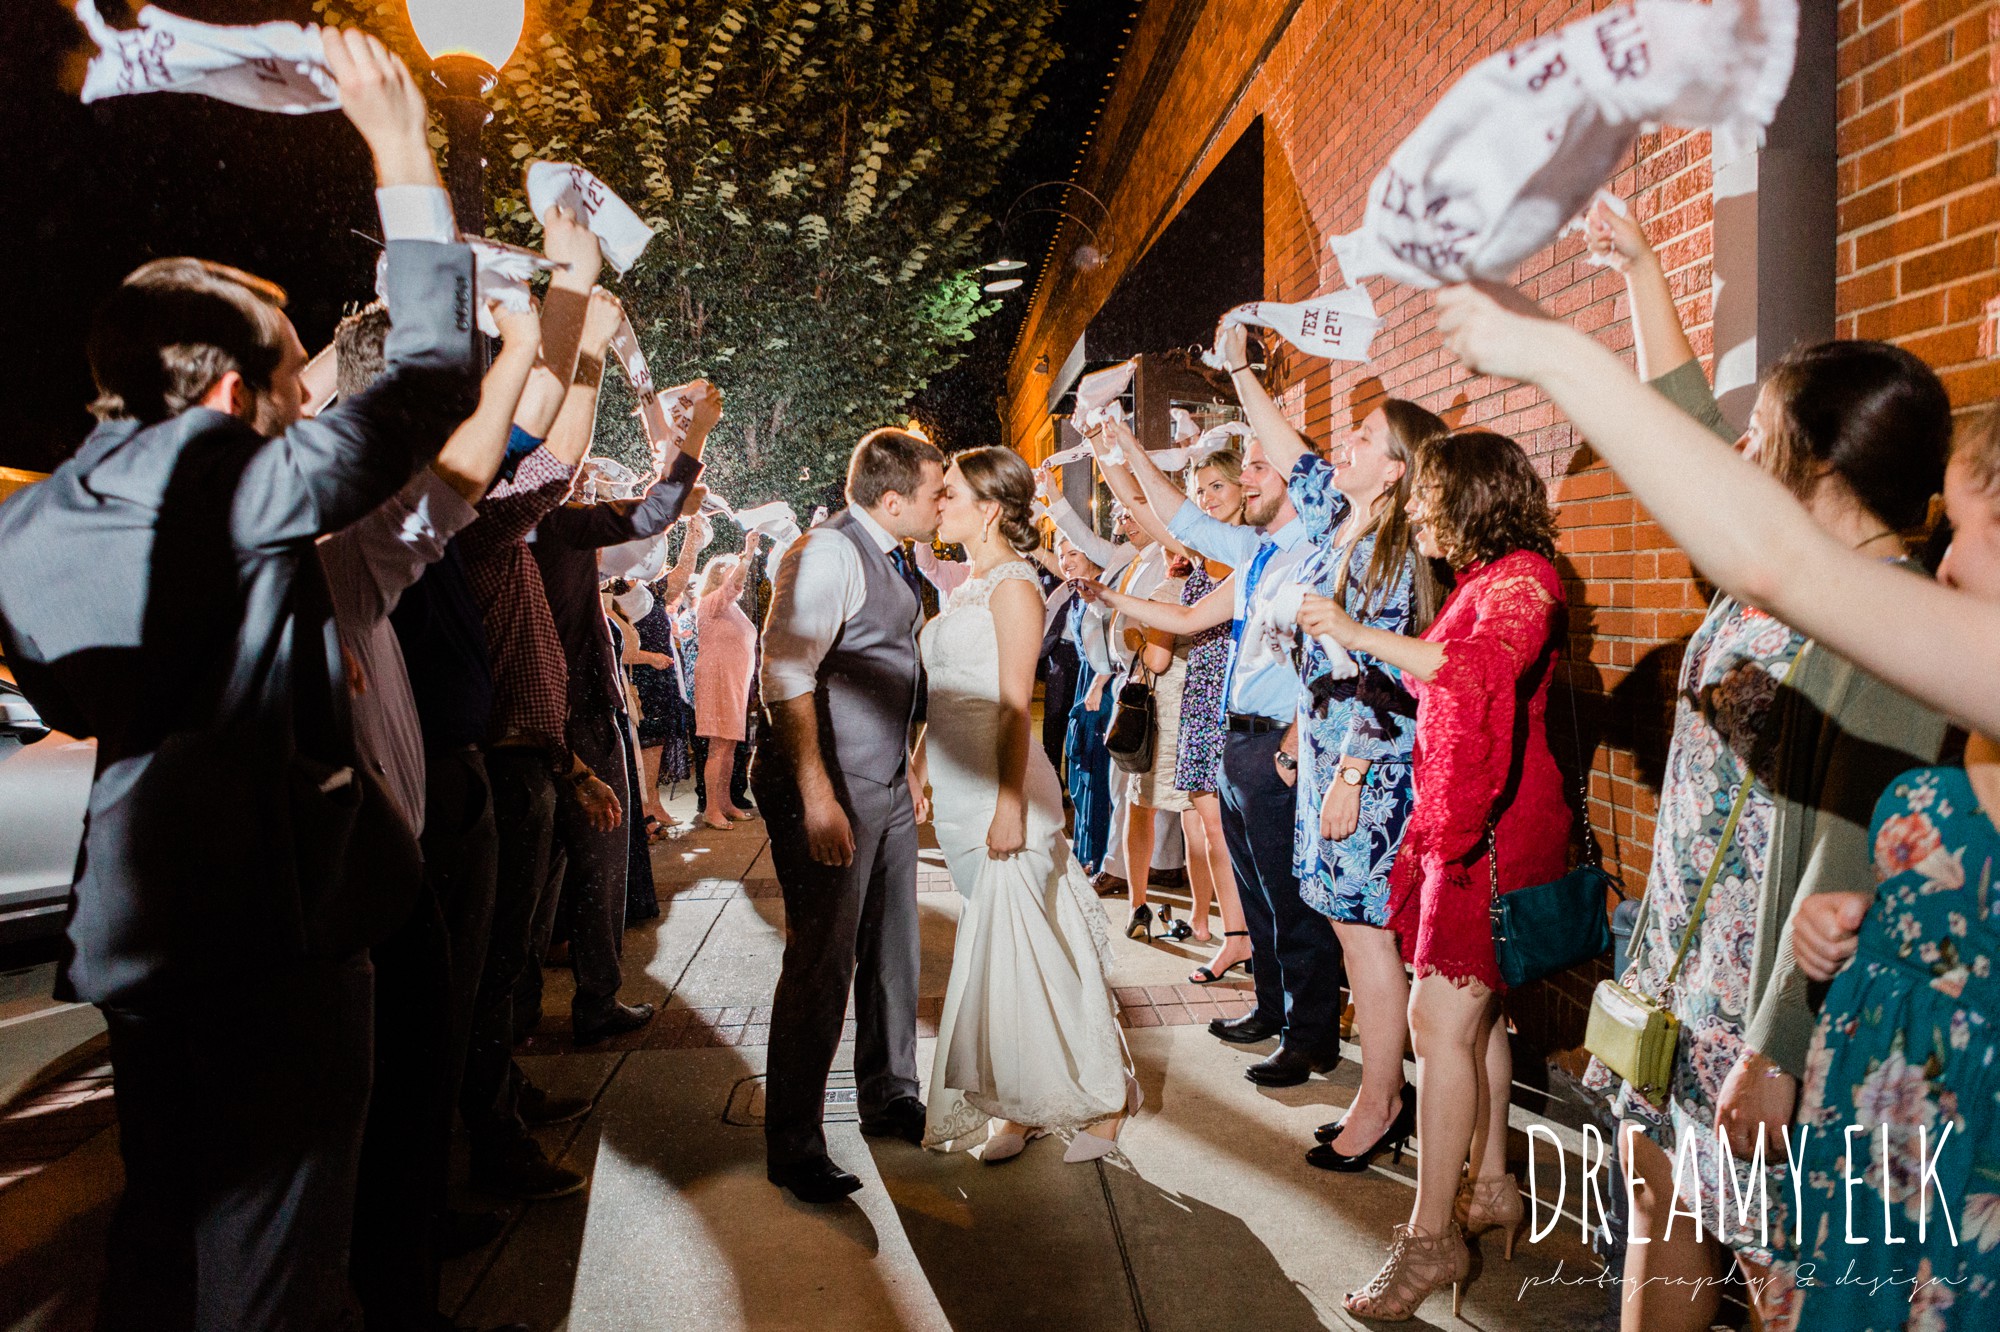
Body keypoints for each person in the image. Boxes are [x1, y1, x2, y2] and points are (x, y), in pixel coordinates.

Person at [0, 30, 479, 1331]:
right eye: (284, 385)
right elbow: (437, 374)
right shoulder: (238, 485)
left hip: (143, 947)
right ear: (226, 394)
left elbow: (65, 700)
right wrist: (400, 151)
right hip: (275, 942)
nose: (297, 412)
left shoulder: (30, 528)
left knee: (160, 1245)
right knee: (275, 1272)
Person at [1566, 200, 1952, 1332]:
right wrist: (1641, 271)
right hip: (1683, 970)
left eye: (1763, 432)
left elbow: (1847, 845)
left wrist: (1776, 1050)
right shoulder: (1767, 574)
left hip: (1765, 1015)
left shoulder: (1890, 620)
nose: (1736, 450)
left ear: (1822, 459)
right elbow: (1681, 438)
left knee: (1782, 1277)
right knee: (1660, 1205)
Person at [1297, 430, 1568, 1319]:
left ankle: (1431, 1245)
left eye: (1427, 496)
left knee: (1436, 1021)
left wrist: (1353, 629)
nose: (1414, 509)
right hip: (1464, 817)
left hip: (1493, 829)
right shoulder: (1485, 579)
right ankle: (1488, 1186)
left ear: (1474, 497)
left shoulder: (1526, 578)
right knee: (1469, 1018)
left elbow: (1483, 672)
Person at [322, 294, 544, 1332]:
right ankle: (393, 1288)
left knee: (414, 1084)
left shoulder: (356, 528)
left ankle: (401, 1254)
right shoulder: (338, 530)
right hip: (356, 865)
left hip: (403, 839)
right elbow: (464, 472)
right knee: (384, 1099)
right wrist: (541, 339)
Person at [1221, 326, 1444, 1175]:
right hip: (1317, 756)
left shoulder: (1397, 554)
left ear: (1397, 469)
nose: (1339, 447)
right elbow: (1291, 449)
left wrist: (1347, 772)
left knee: (1365, 937)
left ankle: (1382, 1099)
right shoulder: (1338, 523)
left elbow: (1389, 678)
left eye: (1362, 439)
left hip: (1369, 766)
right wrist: (1242, 368)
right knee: (1348, 933)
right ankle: (1380, 1091)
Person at [1082, 421, 1344, 1090]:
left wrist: (1288, 744)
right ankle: (1268, 1007)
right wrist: (1106, 592)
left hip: (1278, 744)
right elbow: (1185, 541)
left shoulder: (1316, 549)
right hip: (1236, 737)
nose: (1249, 477)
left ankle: (1308, 1037)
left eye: (1260, 467)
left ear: (1295, 481)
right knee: (1255, 889)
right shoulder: (1257, 551)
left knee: (1291, 899)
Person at [454, 262, 627, 1202]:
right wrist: (580, 345)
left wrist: (568, 765)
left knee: (510, 958)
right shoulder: (474, 524)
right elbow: (552, 469)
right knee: (488, 973)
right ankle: (486, 1135)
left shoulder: (497, 528)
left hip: (533, 759)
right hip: (494, 767)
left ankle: (500, 1100)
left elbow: (549, 468)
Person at [915, 448, 1134, 1163]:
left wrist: (1009, 805)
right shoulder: (969, 584)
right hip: (953, 790)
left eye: (948, 492)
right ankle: (1019, 1104)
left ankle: (1104, 1096)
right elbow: (946, 690)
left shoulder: (1014, 587)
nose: (937, 501)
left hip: (1002, 789)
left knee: (1040, 943)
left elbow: (1014, 709)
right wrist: (918, 764)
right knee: (998, 953)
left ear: (988, 507)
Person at [757, 428, 944, 1204]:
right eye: (936, 492)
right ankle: (794, 1141)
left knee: (894, 941)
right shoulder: (828, 553)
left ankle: (890, 1092)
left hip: (884, 784)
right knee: (823, 960)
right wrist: (816, 793)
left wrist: (906, 763)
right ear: (892, 500)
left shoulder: (895, 554)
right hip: (830, 786)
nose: (944, 502)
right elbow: (784, 670)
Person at [531, 406, 709, 1044]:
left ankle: (523, 1013)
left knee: (543, 875)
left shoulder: (521, 525)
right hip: (578, 712)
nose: (583, 480)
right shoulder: (556, 525)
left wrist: (676, 489)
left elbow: (645, 540)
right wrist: (692, 437)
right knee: (599, 865)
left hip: (543, 714)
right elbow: (651, 516)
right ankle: (596, 1002)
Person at [1057, 534, 1119, 874]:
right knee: (1081, 772)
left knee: (1096, 772)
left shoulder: (1105, 590)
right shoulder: (1079, 594)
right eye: (1061, 556)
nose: (1066, 561)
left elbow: (1116, 640)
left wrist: (1100, 681)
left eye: (1073, 553)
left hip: (1101, 685)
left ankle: (1098, 857)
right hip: (1085, 679)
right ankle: (1084, 851)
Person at [694, 535, 760, 829]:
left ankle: (725, 802)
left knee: (729, 747)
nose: (739, 578)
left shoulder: (730, 608)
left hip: (734, 682)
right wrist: (746, 554)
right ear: (720, 574)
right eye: (731, 570)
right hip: (718, 680)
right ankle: (711, 808)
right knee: (718, 747)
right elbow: (734, 585)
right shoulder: (712, 602)